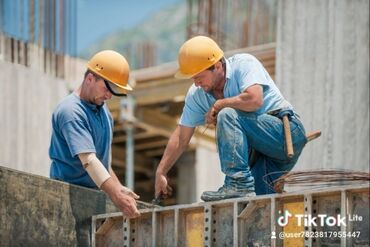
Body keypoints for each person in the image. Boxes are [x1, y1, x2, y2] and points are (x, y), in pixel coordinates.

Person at [155, 36, 307, 202]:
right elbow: (181, 137)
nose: (196, 83)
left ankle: (238, 184)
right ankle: (241, 187)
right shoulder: (197, 94)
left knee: (227, 114)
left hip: (286, 134)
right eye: (193, 78)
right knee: (260, 207)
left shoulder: (243, 64)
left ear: (218, 66)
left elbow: (255, 99)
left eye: (199, 77)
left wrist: (220, 104)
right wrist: (161, 171)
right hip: (261, 156)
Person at [49, 50, 140, 218]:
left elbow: (102, 163)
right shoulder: (71, 111)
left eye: (114, 91)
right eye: (107, 88)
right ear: (90, 78)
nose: (109, 95)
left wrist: (118, 187)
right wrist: (116, 196)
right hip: (65, 199)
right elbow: (89, 161)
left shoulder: (105, 113)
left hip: (91, 198)